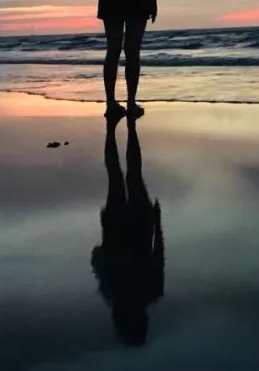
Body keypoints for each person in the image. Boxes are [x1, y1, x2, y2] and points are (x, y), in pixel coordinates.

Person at [91, 113, 164, 346]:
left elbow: (159, 255)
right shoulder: (111, 291)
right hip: (120, 225)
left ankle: (120, 131)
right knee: (119, 174)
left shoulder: (151, 292)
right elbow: (97, 256)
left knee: (129, 172)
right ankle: (119, 131)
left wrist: (157, 221)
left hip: (137, 224)